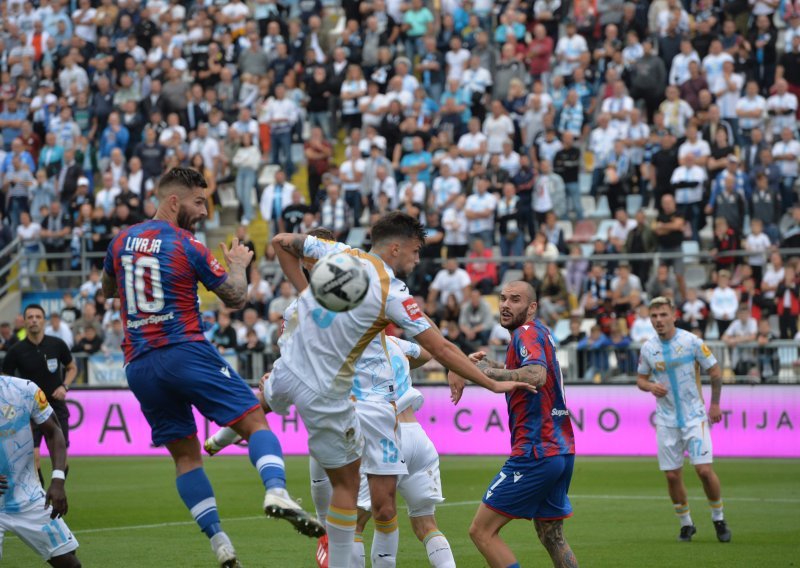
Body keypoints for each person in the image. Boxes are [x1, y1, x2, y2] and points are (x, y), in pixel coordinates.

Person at [270, 212, 533, 568]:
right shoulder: (388, 298)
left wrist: (306, 296)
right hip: (385, 421)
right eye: (415, 250)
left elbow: (282, 242)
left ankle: (251, 456)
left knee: (356, 512)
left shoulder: (342, 254)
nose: (418, 258)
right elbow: (436, 350)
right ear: (396, 247)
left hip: (355, 414)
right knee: (393, 514)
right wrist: (487, 381)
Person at [101, 168, 322, 568]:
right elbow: (235, 296)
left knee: (186, 457)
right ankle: (276, 490)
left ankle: (219, 541)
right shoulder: (186, 244)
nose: (204, 211)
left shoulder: (119, 241)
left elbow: (109, 289)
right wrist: (238, 263)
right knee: (255, 422)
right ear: (173, 201)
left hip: (139, 365)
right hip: (184, 349)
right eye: (198, 202)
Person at [456, 281, 578, 568]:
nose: (506, 305)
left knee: (481, 532)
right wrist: (477, 366)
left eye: (515, 300)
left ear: (532, 307)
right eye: (502, 299)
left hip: (535, 450)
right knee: (552, 535)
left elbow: (535, 375)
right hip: (561, 449)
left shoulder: (525, 332)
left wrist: (482, 375)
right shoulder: (539, 333)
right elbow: (521, 370)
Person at [637, 296, 732, 543]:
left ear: (674, 316)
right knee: (671, 476)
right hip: (666, 420)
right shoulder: (648, 348)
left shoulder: (691, 342)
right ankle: (686, 523)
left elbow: (715, 371)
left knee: (703, 470)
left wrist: (714, 404)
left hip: (695, 417)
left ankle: (718, 518)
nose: (659, 320)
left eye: (663, 315)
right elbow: (640, 379)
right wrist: (649, 386)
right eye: (654, 316)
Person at [0, 372, 81, 567]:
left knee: (69, 561)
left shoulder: (25, 389)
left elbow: (54, 431)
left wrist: (58, 480)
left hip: (26, 496)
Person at [2, 304, 77, 487]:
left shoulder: (57, 344)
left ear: (44, 320)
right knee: (35, 458)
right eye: (30, 317)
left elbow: (72, 367)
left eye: (38, 316)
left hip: (56, 407)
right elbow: (5, 379)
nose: (34, 320)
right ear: (25, 322)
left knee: (62, 461)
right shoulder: (16, 350)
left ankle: (55, 488)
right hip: (29, 412)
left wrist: (64, 386)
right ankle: (41, 498)